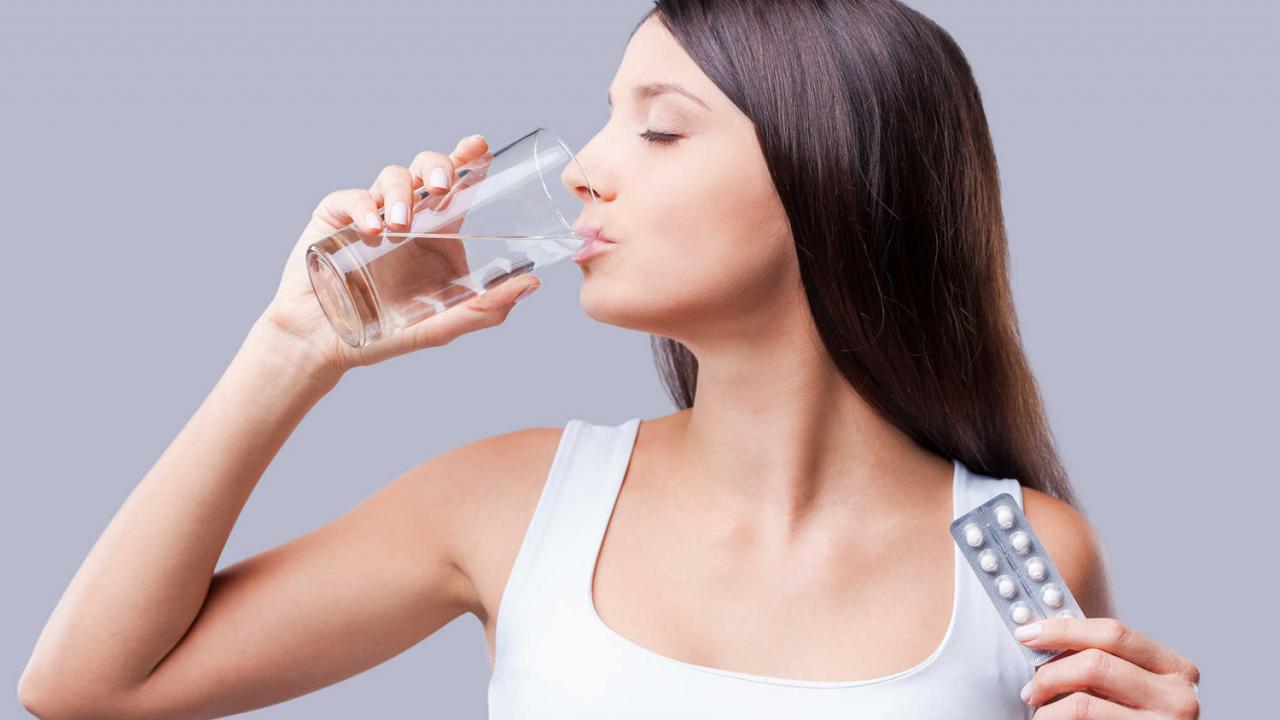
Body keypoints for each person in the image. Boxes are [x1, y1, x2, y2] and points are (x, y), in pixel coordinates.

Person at [20, 1, 1200, 718]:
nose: (583, 168)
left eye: (659, 126)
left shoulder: (1017, 557)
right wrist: (294, 347)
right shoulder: (510, 501)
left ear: (831, 178)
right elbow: (86, 689)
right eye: (604, 117)